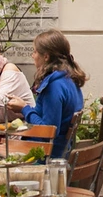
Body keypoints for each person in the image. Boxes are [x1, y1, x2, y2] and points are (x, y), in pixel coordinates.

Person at [26, 29, 86, 159]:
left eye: (35, 51)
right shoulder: (70, 80)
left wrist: (24, 109)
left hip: (46, 157)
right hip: (63, 152)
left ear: (46, 57)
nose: (33, 55)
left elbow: (48, 131)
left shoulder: (53, 86)